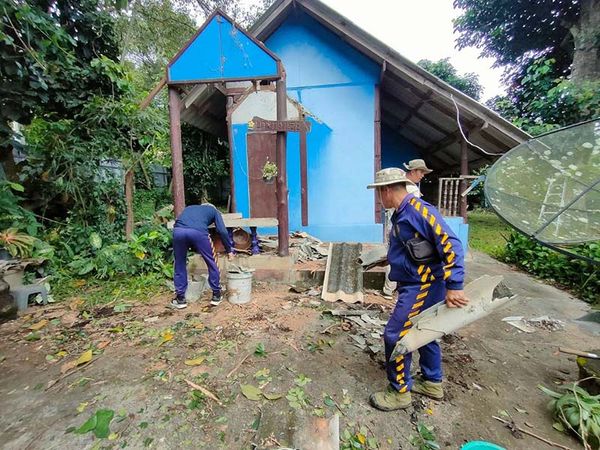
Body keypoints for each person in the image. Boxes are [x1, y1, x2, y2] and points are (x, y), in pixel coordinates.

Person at [367, 167, 468, 411]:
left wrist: (455, 285)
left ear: (387, 190)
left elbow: (451, 244)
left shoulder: (419, 210)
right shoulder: (401, 213)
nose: (378, 199)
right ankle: (432, 382)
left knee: (396, 335)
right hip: (415, 282)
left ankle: (399, 391)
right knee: (425, 331)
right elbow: (415, 248)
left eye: (379, 193)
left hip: (422, 285)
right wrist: (388, 259)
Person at [382, 159, 433, 298]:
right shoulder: (409, 189)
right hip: (402, 229)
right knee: (400, 255)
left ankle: (392, 287)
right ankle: (391, 287)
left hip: (395, 226)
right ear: (413, 171)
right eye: (421, 172)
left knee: (395, 254)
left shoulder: (403, 185)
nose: (422, 175)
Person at [171, 203, 234, 309]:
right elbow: (222, 231)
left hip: (178, 231)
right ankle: (216, 295)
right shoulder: (214, 211)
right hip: (198, 233)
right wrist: (229, 250)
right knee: (211, 261)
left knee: (180, 263)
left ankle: (180, 298)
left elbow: (183, 222)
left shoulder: (189, 208)